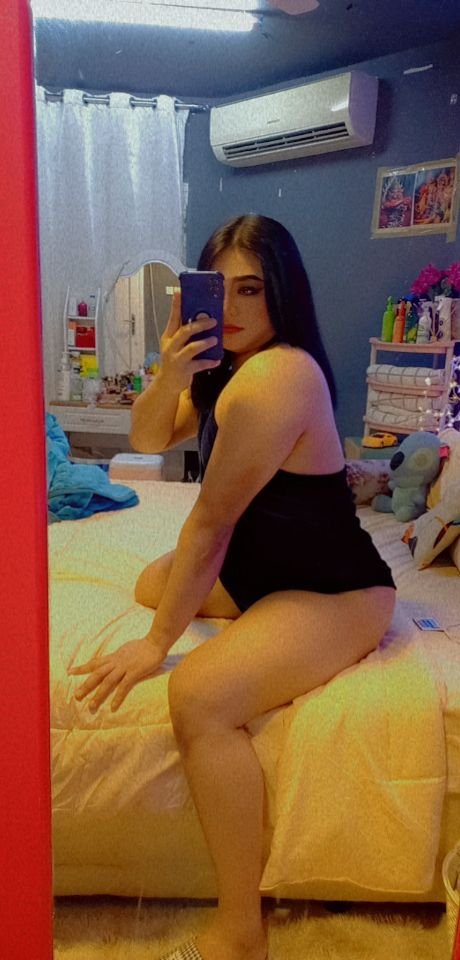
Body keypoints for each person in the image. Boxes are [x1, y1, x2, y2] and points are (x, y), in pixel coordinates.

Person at [69, 215, 396, 960]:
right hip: (261, 572)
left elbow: (210, 522)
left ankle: (239, 930)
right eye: (219, 290)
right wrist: (170, 374)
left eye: (252, 289)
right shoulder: (226, 369)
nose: (235, 308)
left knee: (199, 697)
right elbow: (148, 440)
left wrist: (156, 646)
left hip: (333, 590)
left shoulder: (280, 375)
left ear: (283, 290)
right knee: (154, 582)